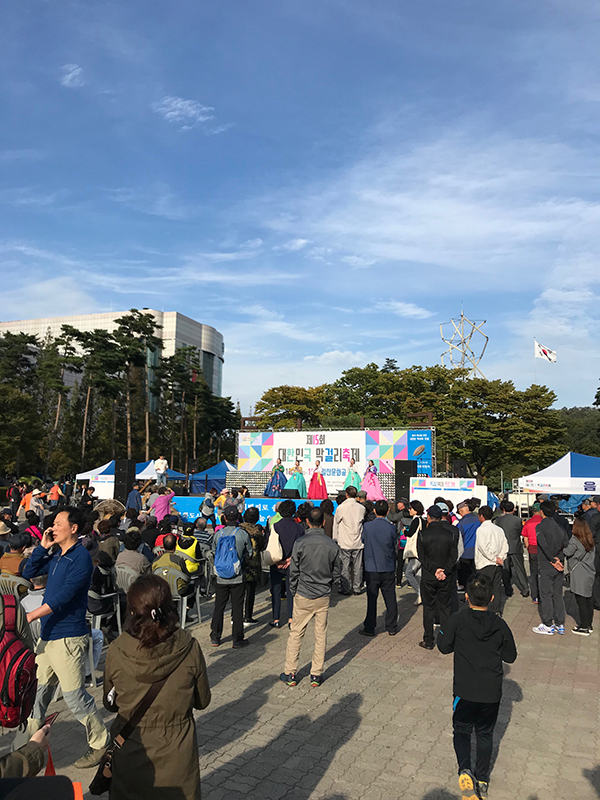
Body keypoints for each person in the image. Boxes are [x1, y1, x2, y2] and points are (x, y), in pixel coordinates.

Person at [103, 574, 211, 800]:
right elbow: (203, 700)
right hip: (177, 753)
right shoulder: (189, 647)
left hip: (132, 749)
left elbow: (110, 703)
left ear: (132, 612)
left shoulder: (116, 650)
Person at [20, 507, 109, 768]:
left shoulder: (80, 557)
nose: (53, 527)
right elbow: (29, 572)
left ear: (73, 528)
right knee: (37, 693)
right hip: (48, 637)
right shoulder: (58, 555)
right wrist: (42, 546)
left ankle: (100, 743)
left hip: (69, 638)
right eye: (52, 523)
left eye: (58, 523)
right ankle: (27, 745)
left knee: (74, 697)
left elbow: (65, 595)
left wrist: (32, 615)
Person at [437, 572, 517, 800]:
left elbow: (443, 646)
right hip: (491, 692)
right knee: (485, 734)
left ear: (466, 597)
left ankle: (464, 770)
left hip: (464, 690)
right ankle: (482, 779)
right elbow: (511, 656)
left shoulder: (457, 620)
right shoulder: (500, 624)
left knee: (461, 729)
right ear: (492, 598)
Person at [280, 506, 341, 687]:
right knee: (320, 634)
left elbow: (294, 570)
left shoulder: (300, 543)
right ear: (323, 522)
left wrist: (294, 589)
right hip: (323, 595)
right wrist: (329, 585)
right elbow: (337, 572)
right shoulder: (332, 544)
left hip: (303, 593)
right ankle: (316, 674)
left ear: (307, 521)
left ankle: (290, 673)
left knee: (296, 633)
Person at [210, 506, 253, 648]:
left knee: (219, 607)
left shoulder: (218, 533)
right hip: (237, 576)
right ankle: (237, 639)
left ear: (225, 517)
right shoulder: (242, 534)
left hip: (220, 577)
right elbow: (250, 553)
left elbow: (214, 552)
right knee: (237, 607)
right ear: (238, 517)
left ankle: (215, 636)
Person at [417, 505, 458, 650]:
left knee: (428, 608)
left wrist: (434, 570)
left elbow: (422, 556)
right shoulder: (451, 534)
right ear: (442, 517)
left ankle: (428, 640)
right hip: (445, 576)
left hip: (428, 576)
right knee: (445, 608)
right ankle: (446, 641)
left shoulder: (422, 534)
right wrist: (444, 570)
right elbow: (454, 555)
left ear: (428, 517)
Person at [359, 499, 398, 637]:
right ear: (388, 511)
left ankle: (370, 627)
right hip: (387, 567)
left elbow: (362, 540)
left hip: (371, 568)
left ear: (374, 511)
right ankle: (392, 626)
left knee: (372, 599)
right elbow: (394, 545)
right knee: (390, 598)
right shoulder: (392, 527)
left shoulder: (368, 527)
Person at [532, 500, 569, 636]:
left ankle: (548, 623)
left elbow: (543, 545)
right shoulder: (560, 528)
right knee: (557, 594)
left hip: (546, 564)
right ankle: (560, 623)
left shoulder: (540, 527)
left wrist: (553, 559)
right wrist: (559, 558)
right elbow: (566, 544)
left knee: (546, 594)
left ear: (542, 512)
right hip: (558, 565)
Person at [270, 500, 305, 627]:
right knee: (292, 590)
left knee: (276, 589)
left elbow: (269, 545)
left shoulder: (274, 526)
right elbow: (301, 547)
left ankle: (276, 619)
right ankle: (291, 618)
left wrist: (278, 560)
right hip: (293, 562)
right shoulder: (299, 528)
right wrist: (290, 559)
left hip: (276, 562)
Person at [564, 515, 596, 635]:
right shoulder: (590, 539)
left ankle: (583, 626)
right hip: (589, 572)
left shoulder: (574, 540)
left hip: (579, 573)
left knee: (581, 600)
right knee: (588, 599)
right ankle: (589, 624)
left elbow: (567, 552)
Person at [474, 506, 508, 615]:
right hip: (497, 564)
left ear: (482, 516)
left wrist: (493, 558)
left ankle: (485, 610)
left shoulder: (481, 529)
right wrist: (500, 557)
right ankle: (496, 610)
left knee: (484, 589)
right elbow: (505, 545)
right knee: (496, 587)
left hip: (485, 564)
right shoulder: (499, 529)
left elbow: (483, 547)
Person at [152, 534, 197, 617]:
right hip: (178, 590)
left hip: (161, 590)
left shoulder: (156, 561)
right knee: (192, 586)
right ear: (175, 546)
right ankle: (185, 613)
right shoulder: (178, 560)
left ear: (163, 546)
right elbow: (187, 576)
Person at [332, 486, 365, 596]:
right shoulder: (361, 508)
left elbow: (336, 523)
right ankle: (357, 588)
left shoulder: (341, 507)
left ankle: (346, 588)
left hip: (345, 541)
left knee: (345, 566)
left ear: (346, 495)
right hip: (358, 541)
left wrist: (335, 538)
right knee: (358, 566)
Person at [495, 501, 529, 598]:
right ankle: (525, 588)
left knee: (505, 570)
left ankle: (508, 589)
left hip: (503, 548)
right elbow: (520, 532)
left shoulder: (498, 520)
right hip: (516, 547)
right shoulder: (517, 520)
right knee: (520, 569)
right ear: (513, 509)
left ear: (503, 509)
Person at [239, 507, 265, 624]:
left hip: (238, 564)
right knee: (250, 592)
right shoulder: (257, 532)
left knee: (238, 592)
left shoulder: (238, 529)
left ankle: (236, 616)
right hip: (253, 565)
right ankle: (247, 616)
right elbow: (262, 546)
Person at [403, 500, 425, 604]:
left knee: (408, 573)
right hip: (421, 551)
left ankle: (420, 593)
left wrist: (404, 531)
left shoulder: (416, 520)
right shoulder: (423, 520)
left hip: (415, 551)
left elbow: (410, 533)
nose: (409, 510)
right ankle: (423, 594)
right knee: (418, 575)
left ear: (416, 510)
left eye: (411, 508)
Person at [456, 500, 480, 589]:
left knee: (466, 577)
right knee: (476, 575)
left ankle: (468, 594)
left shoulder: (461, 524)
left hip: (465, 553)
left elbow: (458, 539)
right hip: (477, 552)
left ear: (461, 511)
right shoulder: (478, 520)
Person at [388, 498, 411, 588]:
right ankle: (410, 583)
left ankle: (398, 582)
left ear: (403, 504)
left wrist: (388, 510)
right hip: (410, 541)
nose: (397, 505)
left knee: (400, 562)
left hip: (401, 540)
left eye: (398, 503)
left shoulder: (401, 514)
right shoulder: (411, 515)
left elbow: (393, 518)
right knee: (410, 563)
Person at [521, 503, 541, 603]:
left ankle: (535, 596)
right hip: (542, 550)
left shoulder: (528, 523)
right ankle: (543, 594)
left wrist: (528, 548)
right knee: (543, 573)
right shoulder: (543, 521)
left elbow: (525, 537)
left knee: (534, 573)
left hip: (532, 549)